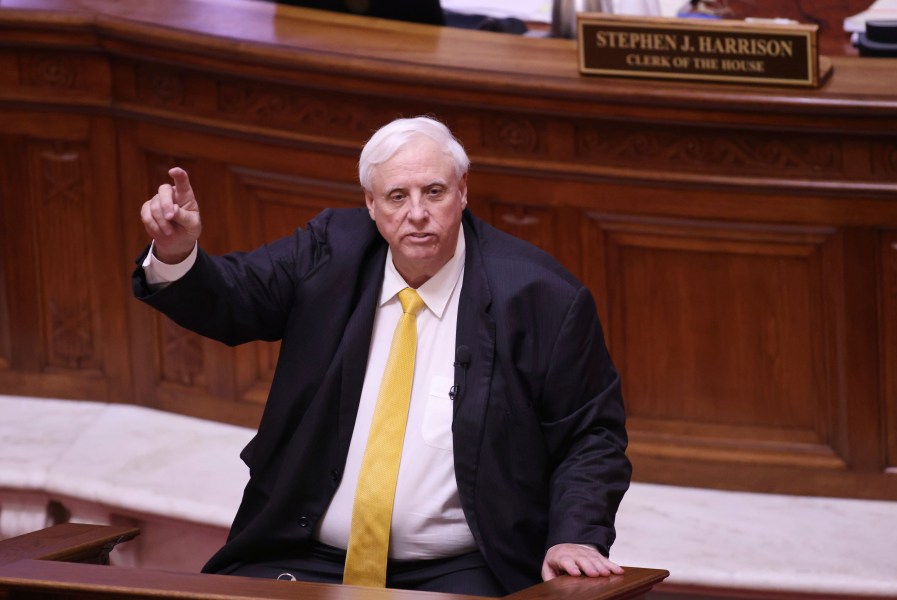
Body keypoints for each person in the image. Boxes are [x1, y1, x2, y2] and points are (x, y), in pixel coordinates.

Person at [133, 116, 631, 596]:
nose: (417, 212)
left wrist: (576, 532)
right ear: (372, 205)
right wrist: (177, 254)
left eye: (433, 192)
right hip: (303, 552)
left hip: (463, 567)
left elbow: (591, 435)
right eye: (397, 196)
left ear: (462, 191)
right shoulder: (331, 251)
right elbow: (234, 300)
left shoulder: (540, 296)